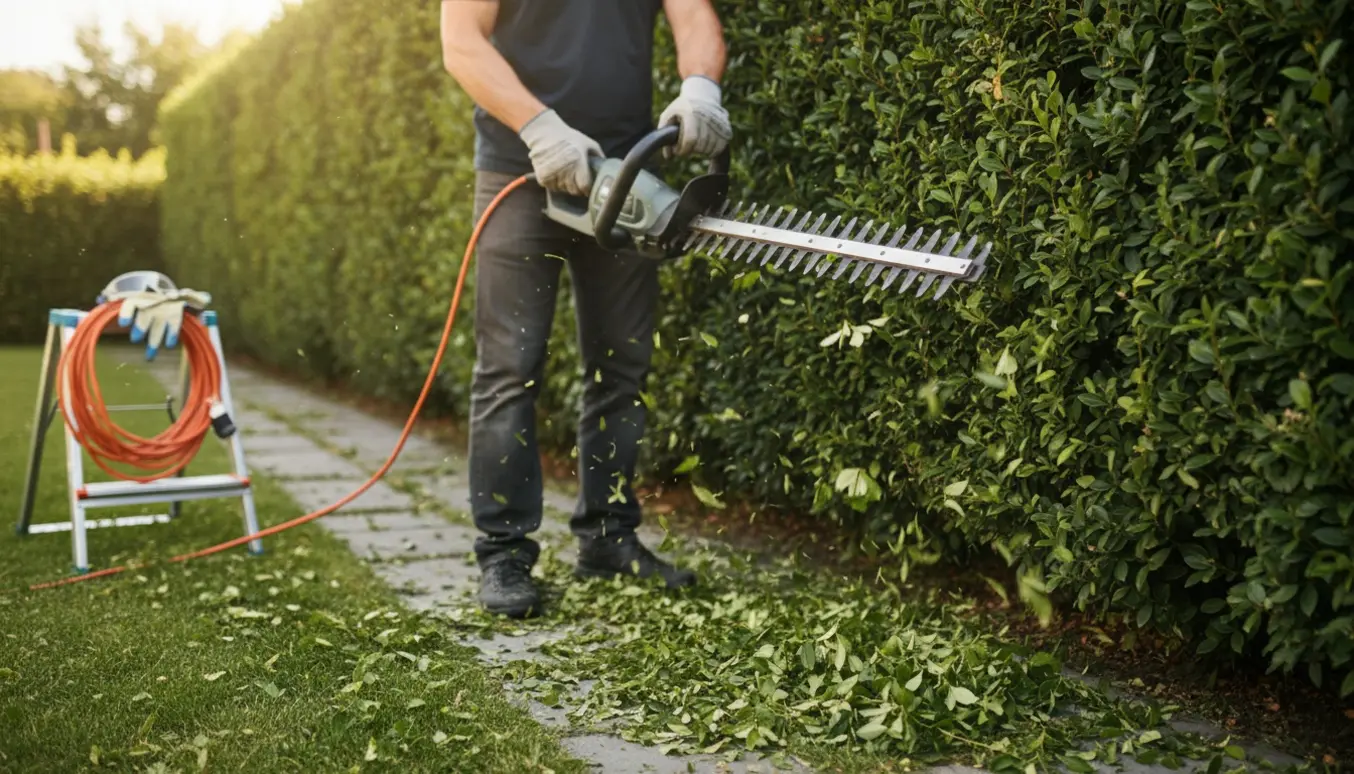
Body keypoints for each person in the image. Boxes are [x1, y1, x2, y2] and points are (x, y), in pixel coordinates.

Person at [439, 0, 732, 618]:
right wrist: (540, 126)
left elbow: (693, 15)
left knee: (621, 367)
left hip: (626, 175)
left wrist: (701, 88)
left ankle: (607, 537)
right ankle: (505, 553)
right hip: (520, 172)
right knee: (508, 370)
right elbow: (461, 41)